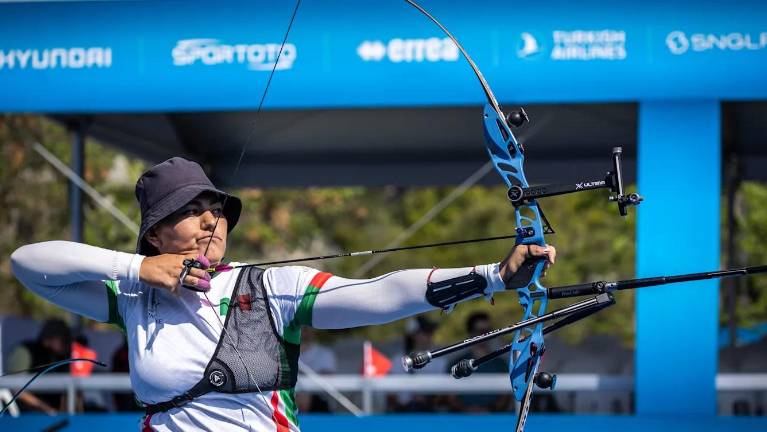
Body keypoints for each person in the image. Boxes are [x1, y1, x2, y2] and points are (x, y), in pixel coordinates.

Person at [10, 157, 556, 431]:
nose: (211, 221)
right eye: (190, 212)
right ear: (155, 235)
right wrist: (138, 269)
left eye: (216, 210)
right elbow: (29, 264)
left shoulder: (270, 286)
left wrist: (492, 275)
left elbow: (380, 293)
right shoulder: (134, 298)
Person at [444, 312, 511, 413]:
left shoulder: (501, 364)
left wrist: (488, 410)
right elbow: (449, 395)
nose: (485, 335)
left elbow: (506, 396)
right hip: (461, 419)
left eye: (489, 331)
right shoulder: (456, 363)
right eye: (480, 331)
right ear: (470, 333)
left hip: (493, 419)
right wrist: (466, 411)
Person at [6, 318, 71, 415]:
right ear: (50, 338)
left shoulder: (63, 358)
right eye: (64, 340)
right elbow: (14, 388)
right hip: (24, 416)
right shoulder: (25, 352)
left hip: (53, 416)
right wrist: (45, 408)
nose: (68, 344)